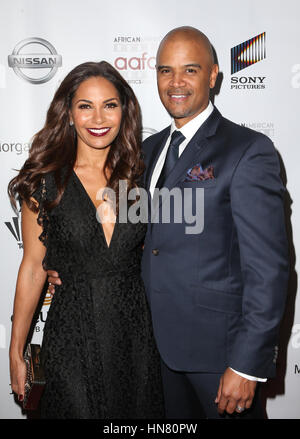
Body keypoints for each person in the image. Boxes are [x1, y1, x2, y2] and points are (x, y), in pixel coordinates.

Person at [48, 27, 289, 419]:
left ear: (213, 76)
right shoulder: (146, 151)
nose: (175, 83)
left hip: (220, 359)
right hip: (149, 353)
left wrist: (246, 364)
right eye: (165, 70)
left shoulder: (248, 151)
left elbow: (269, 270)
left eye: (189, 70)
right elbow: (134, 238)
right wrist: (70, 265)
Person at [8, 61, 164, 419]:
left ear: (125, 110)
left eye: (109, 104)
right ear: (69, 112)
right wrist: (16, 353)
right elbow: (33, 268)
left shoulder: (139, 177)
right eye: (85, 106)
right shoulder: (45, 182)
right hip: (72, 335)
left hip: (135, 336)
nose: (98, 118)